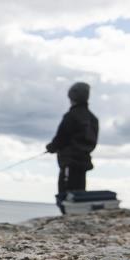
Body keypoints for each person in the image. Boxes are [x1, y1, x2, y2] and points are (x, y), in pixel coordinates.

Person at [46, 82, 99, 214]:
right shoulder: (93, 119)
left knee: (66, 194)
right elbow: (92, 142)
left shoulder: (71, 116)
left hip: (70, 161)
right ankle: (77, 215)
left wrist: (51, 147)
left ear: (72, 96)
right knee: (79, 193)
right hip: (84, 161)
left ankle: (67, 216)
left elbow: (61, 138)